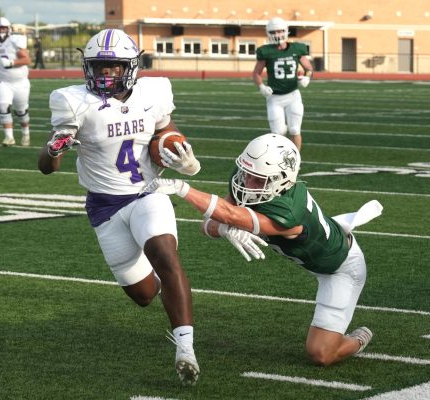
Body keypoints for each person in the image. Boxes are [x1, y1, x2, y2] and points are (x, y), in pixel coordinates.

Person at [38, 29, 263, 385]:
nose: (106, 74)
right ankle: (167, 292)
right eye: (99, 67)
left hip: (148, 191)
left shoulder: (154, 91)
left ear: (131, 66)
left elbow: (166, 132)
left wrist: (183, 156)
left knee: (165, 254)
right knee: (143, 294)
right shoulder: (71, 101)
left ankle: (185, 348)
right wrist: (53, 151)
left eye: (113, 67)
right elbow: (45, 168)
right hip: (105, 206)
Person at [142, 133, 383, 366]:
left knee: (321, 354)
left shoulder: (289, 214)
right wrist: (226, 229)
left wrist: (183, 188)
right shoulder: (247, 179)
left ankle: (357, 340)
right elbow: (207, 226)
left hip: (339, 268)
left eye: (257, 179)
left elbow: (227, 213)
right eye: (246, 173)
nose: (247, 182)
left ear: (282, 180)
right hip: (314, 251)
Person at [253, 17, 313, 151]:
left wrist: (307, 78)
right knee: (277, 134)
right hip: (275, 98)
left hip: (293, 95)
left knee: (294, 129)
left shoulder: (297, 49)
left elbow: (308, 68)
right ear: (268, 33)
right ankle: (279, 161)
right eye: (273, 32)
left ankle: (296, 160)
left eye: (279, 31)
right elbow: (256, 73)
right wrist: (261, 86)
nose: (277, 35)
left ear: (286, 31)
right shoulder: (266, 51)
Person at [0, 17, 31, 147]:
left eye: (3, 28)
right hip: (2, 81)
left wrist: (12, 63)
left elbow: (27, 60)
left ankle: (25, 133)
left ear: (8, 29)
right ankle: (9, 137)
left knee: (21, 112)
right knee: (2, 107)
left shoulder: (16, 41)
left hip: (20, 82)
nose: (1, 30)